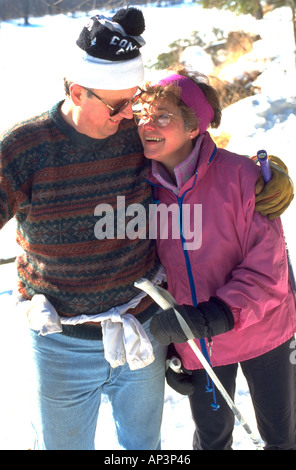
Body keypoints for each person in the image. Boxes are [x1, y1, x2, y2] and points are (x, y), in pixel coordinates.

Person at [0, 8, 293, 451]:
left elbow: (265, 261)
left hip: (194, 330)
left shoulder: (173, 150)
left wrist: (266, 174)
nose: (132, 120)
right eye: (125, 107)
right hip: (99, 341)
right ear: (79, 92)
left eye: (135, 103)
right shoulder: (38, 150)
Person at [134, 65, 296, 450]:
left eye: (162, 116)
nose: (147, 125)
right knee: (211, 438)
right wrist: (174, 348)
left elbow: (269, 267)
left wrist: (218, 313)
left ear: (194, 128)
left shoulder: (242, 176)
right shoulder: (144, 189)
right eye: (143, 115)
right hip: (199, 342)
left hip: (266, 333)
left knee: (281, 435)